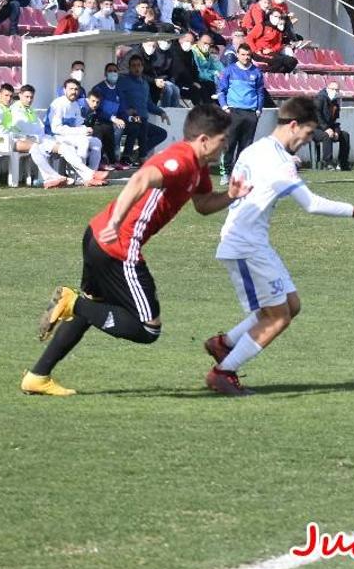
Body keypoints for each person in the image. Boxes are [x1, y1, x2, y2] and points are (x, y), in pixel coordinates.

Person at [22, 105, 245, 396]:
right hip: (118, 246)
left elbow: (202, 205)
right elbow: (141, 178)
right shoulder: (181, 160)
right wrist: (116, 222)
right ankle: (71, 302)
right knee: (147, 328)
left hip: (97, 236)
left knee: (93, 307)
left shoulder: (198, 166)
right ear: (204, 140)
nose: (226, 144)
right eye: (222, 139)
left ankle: (37, 376)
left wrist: (231, 195)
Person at [204, 97, 354, 396]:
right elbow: (311, 204)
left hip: (252, 241)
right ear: (293, 125)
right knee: (278, 316)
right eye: (308, 134)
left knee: (291, 305)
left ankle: (224, 344)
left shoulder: (256, 148)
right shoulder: (279, 161)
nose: (307, 141)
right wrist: (352, 209)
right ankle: (223, 372)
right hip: (246, 245)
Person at [7, 84, 107, 188]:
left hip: (42, 139)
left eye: (31, 97)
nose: (29, 100)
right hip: (29, 140)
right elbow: (25, 129)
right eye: (26, 97)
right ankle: (87, 175)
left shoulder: (30, 109)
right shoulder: (16, 109)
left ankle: (86, 176)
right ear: (20, 95)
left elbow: (39, 128)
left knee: (67, 148)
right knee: (76, 144)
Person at [218, 42, 266, 186]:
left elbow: (260, 92)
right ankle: (225, 173)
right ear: (237, 55)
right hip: (233, 111)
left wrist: (258, 110)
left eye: (248, 55)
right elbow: (221, 90)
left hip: (250, 113)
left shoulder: (256, 72)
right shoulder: (229, 70)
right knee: (229, 143)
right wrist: (225, 107)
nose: (246, 57)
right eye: (243, 55)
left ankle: (238, 173)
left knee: (246, 147)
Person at [116, 54, 169, 165]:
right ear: (129, 68)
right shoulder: (123, 81)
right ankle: (129, 157)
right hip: (128, 119)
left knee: (161, 133)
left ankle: (139, 154)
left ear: (142, 67)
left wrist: (161, 112)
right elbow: (118, 98)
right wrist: (126, 110)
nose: (137, 68)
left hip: (142, 119)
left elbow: (148, 103)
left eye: (139, 65)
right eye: (134, 66)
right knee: (137, 125)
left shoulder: (145, 84)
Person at [47, 78, 105, 173]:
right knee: (83, 142)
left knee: (96, 142)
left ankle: (93, 172)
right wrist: (80, 131)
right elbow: (56, 129)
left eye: (76, 89)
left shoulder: (75, 105)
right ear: (64, 90)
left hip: (70, 136)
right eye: (71, 89)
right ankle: (81, 175)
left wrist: (86, 129)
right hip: (54, 136)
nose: (74, 92)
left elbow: (79, 123)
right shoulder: (58, 104)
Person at [90, 63, 131, 167]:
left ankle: (124, 157)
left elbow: (122, 109)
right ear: (105, 73)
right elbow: (97, 108)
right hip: (101, 120)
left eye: (115, 71)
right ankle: (107, 158)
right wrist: (113, 119)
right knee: (109, 128)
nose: (113, 73)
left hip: (115, 121)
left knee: (135, 126)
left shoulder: (119, 90)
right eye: (110, 71)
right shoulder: (99, 88)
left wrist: (129, 118)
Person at [312, 81, 351, 171]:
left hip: (329, 127)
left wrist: (336, 131)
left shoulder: (335, 102)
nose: (336, 91)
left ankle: (343, 163)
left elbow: (334, 121)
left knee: (345, 135)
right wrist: (326, 129)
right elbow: (316, 116)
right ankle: (328, 163)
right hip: (315, 129)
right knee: (327, 136)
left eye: (337, 90)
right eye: (333, 89)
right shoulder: (320, 98)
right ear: (328, 89)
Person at [80, 90, 117, 167]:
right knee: (98, 130)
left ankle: (110, 160)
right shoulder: (81, 107)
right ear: (87, 99)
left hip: (86, 131)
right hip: (75, 132)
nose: (95, 104)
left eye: (97, 102)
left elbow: (102, 113)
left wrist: (114, 119)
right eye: (93, 101)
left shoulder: (95, 108)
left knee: (106, 127)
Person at [191, 33, 225, 101]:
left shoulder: (208, 53)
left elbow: (217, 65)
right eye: (205, 43)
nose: (207, 45)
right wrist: (214, 74)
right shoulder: (193, 52)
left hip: (208, 79)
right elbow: (199, 72)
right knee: (210, 88)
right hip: (198, 79)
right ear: (198, 41)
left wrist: (223, 74)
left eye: (209, 44)